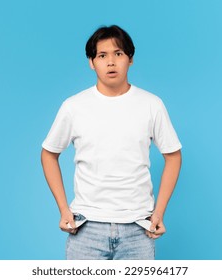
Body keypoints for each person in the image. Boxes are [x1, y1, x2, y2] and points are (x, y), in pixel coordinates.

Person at [41, 25, 182, 260]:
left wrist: (159, 212)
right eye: (102, 56)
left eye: (118, 54)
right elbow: (48, 154)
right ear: (91, 62)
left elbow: (173, 155)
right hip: (86, 228)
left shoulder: (151, 104)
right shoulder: (74, 107)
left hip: (138, 228)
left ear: (131, 59)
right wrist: (64, 209)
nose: (111, 62)